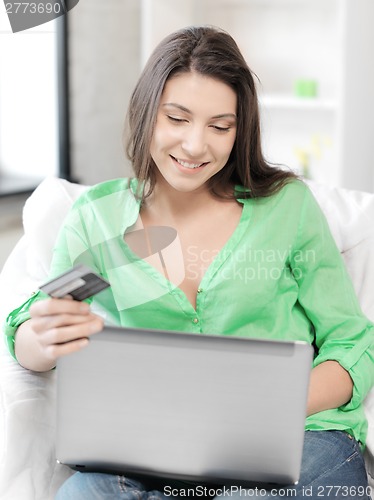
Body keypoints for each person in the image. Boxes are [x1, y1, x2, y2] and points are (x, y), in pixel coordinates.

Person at [4, 25, 374, 499]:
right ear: (145, 114)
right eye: (177, 118)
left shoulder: (288, 209)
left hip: (297, 442)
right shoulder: (96, 221)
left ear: (241, 130)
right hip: (147, 457)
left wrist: (274, 404)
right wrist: (43, 335)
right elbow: (32, 333)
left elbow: (352, 341)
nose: (197, 145)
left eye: (220, 126)